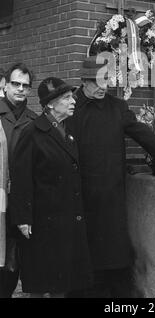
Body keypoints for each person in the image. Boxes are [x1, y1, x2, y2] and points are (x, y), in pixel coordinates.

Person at [66, 57, 155, 298]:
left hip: (111, 192)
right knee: (82, 257)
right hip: (79, 195)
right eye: (97, 82)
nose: (103, 87)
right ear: (84, 82)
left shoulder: (117, 107)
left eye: (106, 80)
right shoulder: (70, 107)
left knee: (114, 254)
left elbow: (142, 134)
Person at [9, 77, 93, 298]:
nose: (73, 101)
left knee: (62, 280)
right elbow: (21, 177)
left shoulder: (67, 132)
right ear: (50, 104)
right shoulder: (32, 132)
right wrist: (23, 219)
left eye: (71, 96)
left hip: (65, 218)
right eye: (66, 97)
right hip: (42, 221)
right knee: (40, 281)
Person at [0, 62, 37, 298]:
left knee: (13, 261)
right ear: (4, 84)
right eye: (15, 83)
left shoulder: (35, 121)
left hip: (21, 200)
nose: (20, 89)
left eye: (25, 85)